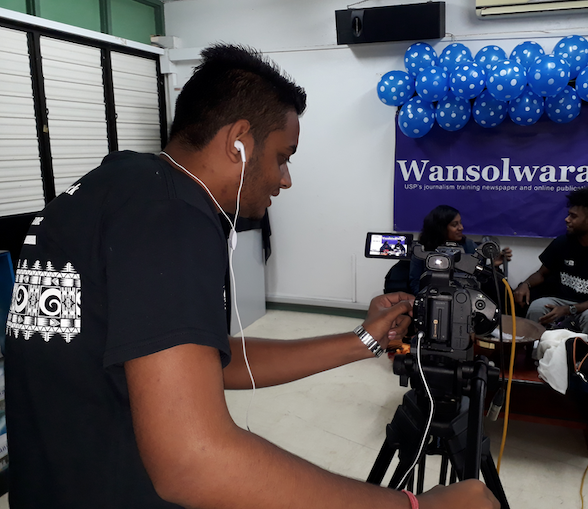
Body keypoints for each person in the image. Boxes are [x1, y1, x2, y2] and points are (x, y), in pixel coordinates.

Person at [5, 45, 499, 509]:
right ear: (239, 143)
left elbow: (208, 362)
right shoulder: (174, 217)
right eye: (283, 157)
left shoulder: (116, 187)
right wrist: (413, 505)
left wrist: (362, 341)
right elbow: (191, 460)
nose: (285, 179)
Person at [513, 186, 588, 335]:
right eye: (568, 215)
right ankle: (537, 354)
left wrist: (570, 310)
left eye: (573, 216)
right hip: (562, 300)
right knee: (537, 307)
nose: (567, 220)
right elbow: (541, 274)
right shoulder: (563, 243)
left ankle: (584, 357)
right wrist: (525, 284)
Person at [409, 205, 512, 295]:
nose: (461, 227)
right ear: (440, 228)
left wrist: (493, 266)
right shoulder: (421, 250)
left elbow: (477, 279)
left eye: (460, 223)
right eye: (455, 225)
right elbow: (415, 284)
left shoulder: (468, 245)